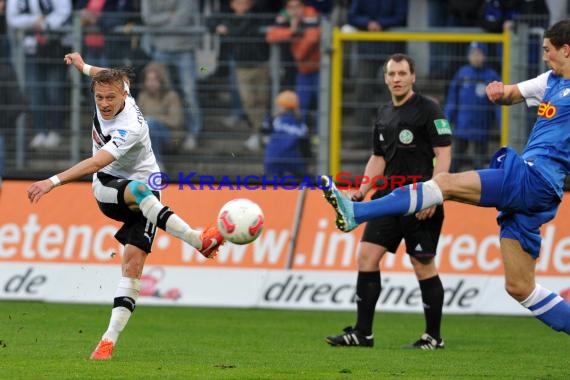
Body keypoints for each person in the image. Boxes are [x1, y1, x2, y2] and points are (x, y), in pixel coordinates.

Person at [320, 19, 570, 336]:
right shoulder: (551, 81)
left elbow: (444, 151)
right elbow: (513, 93)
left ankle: (355, 213)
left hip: (535, 179)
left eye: (548, 50)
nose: (544, 56)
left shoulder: (428, 109)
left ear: (566, 50)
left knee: (444, 184)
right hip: (535, 191)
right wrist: (498, 92)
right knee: (520, 287)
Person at [26, 52, 226, 360]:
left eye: (110, 98)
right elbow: (98, 163)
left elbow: (94, 159)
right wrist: (83, 67)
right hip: (108, 188)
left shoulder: (128, 126)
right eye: (99, 97)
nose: (104, 103)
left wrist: (50, 182)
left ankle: (107, 342)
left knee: (132, 267)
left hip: (146, 188)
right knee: (137, 189)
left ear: (124, 94)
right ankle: (198, 240)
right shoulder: (117, 86)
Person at [325, 53, 452, 350]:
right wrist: (362, 191)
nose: (396, 79)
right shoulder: (383, 113)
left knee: (422, 265)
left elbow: (444, 155)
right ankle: (362, 333)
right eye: (391, 74)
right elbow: (378, 157)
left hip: (421, 201)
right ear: (385, 78)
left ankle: (434, 337)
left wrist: (434, 193)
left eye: (402, 73)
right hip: (387, 199)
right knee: (366, 257)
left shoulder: (429, 110)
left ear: (413, 77)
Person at [6, 0, 72, 150]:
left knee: (54, 90)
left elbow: (64, 11)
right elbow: (12, 18)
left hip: (56, 47)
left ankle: (56, 130)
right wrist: (34, 21)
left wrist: (45, 24)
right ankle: (40, 131)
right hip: (30, 50)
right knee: (34, 92)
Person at [140, 0, 202, 152]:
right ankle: (160, 135)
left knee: (189, 93)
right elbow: (147, 18)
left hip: (185, 48)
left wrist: (159, 22)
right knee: (157, 90)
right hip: (160, 48)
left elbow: (182, 19)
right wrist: (170, 16)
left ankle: (193, 133)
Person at [210, 0, 271, 151]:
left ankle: (263, 132)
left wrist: (229, 28)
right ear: (232, 5)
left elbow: (244, 29)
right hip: (241, 67)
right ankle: (258, 132)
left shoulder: (257, 14)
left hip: (260, 65)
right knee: (248, 102)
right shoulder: (227, 16)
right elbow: (209, 22)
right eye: (239, 2)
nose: (243, 4)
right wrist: (217, 26)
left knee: (263, 100)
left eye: (245, 2)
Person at [347, 0, 408, 147]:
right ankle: (361, 139)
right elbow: (352, 16)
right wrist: (368, 23)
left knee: (391, 96)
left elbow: (402, 16)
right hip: (367, 49)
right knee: (362, 92)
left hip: (391, 51)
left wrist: (381, 23)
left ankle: (390, 138)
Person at [444, 42, 501, 171]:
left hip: (481, 127)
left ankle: (480, 185)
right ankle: (450, 181)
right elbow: (452, 99)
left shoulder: (491, 76)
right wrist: (447, 119)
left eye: (479, 54)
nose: (475, 57)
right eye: (472, 53)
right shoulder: (462, 73)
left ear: (485, 56)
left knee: (479, 159)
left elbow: (498, 103)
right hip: (462, 126)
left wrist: (500, 123)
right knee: (456, 157)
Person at [266, 0, 321, 131]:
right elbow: (271, 35)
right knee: (302, 105)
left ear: (303, 6)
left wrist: (298, 52)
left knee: (323, 104)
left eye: (297, 7)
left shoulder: (311, 14)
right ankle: (303, 135)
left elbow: (312, 38)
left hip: (320, 69)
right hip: (302, 71)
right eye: (290, 7)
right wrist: (292, 31)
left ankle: (321, 136)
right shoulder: (284, 16)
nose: (294, 10)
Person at [136, 61, 184, 165]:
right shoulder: (142, 96)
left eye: (154, 80)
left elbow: (175, 121)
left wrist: (152, 118)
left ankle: (157, 163)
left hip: (170, 138)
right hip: (147, 136)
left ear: (162, 80)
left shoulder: (172, 96)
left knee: (150, 123)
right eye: (148, 80)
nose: (151, 83)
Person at [263, 90, 310, 177]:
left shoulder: (273, 120)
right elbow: (306, 147)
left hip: (273, 159)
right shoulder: (300, 124)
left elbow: (264, 131)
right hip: (294, 161)